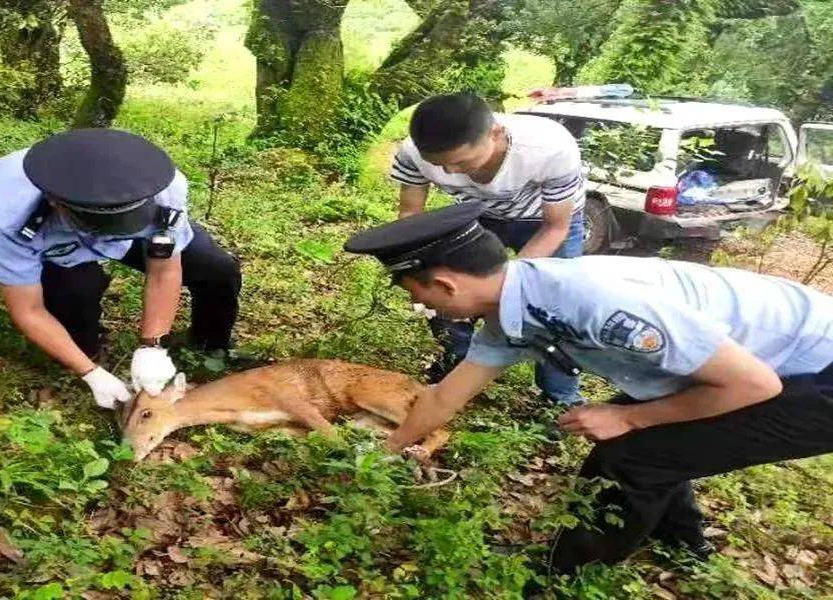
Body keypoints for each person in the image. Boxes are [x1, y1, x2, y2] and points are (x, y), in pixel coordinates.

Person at [344, 202, 833, 573]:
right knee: (650, 442)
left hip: (813, 375)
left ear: (446, 285)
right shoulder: (516, 304)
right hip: (755, 364)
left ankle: (565, 574)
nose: (423, 309)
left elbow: (753, 384)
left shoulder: (596, 305)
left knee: (632, 455)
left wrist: (627, 417)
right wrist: (386, 451)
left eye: (418, 296)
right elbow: (444, 396)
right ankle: (684, 545)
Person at [0, 128, 241, 409]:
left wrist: (151, 345)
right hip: (56, 246)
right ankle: (88, 354)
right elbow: (29, 310)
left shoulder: (162, 188)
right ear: (55, 202)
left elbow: (164, 270)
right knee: (75, 306)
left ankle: (209, 346)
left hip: (133, 230)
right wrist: (90, 372)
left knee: (216, 269)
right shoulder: (4, 217)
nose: (111, 237)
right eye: (105, 227)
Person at [390, 92, 585, 403]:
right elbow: (410, 216)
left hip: (544, 220)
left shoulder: (551, 148)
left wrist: (507, 285)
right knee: (444, 290)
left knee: (555, 308)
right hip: (477, 216)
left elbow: (556, 227)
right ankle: (458, 375)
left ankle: (559, 399)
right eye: (439, 165)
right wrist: (421, 269)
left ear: (494, 132)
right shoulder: (412, 153)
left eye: (461, 162)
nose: (451, 172)